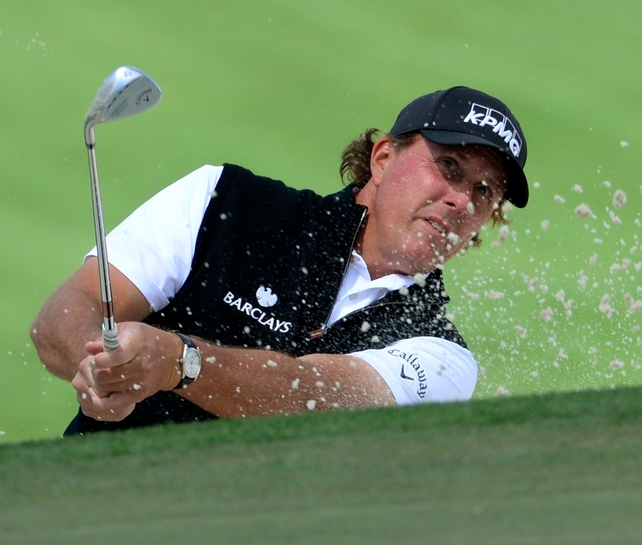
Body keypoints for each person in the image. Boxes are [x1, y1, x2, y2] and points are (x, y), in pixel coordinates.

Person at [30, 86, 529, 435]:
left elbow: (317, 400)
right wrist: (96, 364)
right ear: (382, 159)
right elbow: (66, 312)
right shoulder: (224, 201)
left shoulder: (442, 355)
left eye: (484, 192)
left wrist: (179, 363)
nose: (462, 200)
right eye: (448, 167)